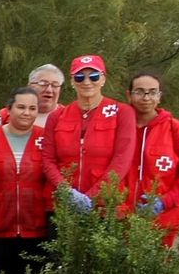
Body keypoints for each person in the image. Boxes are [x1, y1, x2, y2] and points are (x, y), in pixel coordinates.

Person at [0, 86, 53, 274]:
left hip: (36, 228)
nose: (27, 113)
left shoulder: (46, 138)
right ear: (8, 109)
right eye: (21, 107)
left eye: (32, 108)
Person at [41, 53, 135, 210]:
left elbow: (122, 160)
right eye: (79, 77)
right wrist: (67, 192)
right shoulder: (57, 116)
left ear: (103, 79)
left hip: (105, 206)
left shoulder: (122, 113)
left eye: (94, 76)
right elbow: (48, 160)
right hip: (63, 204)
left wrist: (92, 197)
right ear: (72, 81)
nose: (86, 82)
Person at [122, 70, 179, 246]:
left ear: (159, 96)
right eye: (139, 92)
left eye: (152, 92)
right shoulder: (118, 126)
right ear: (129, 95)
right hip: (123, 220)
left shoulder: (175, 129)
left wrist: (164, 202)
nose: (146, 97)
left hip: (165, 222)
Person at [0, 64, 64, 130]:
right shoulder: (7, 115)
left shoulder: (67, 116)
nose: (49, 90)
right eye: (43, 83)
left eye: (55, 85)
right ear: (30, 86)